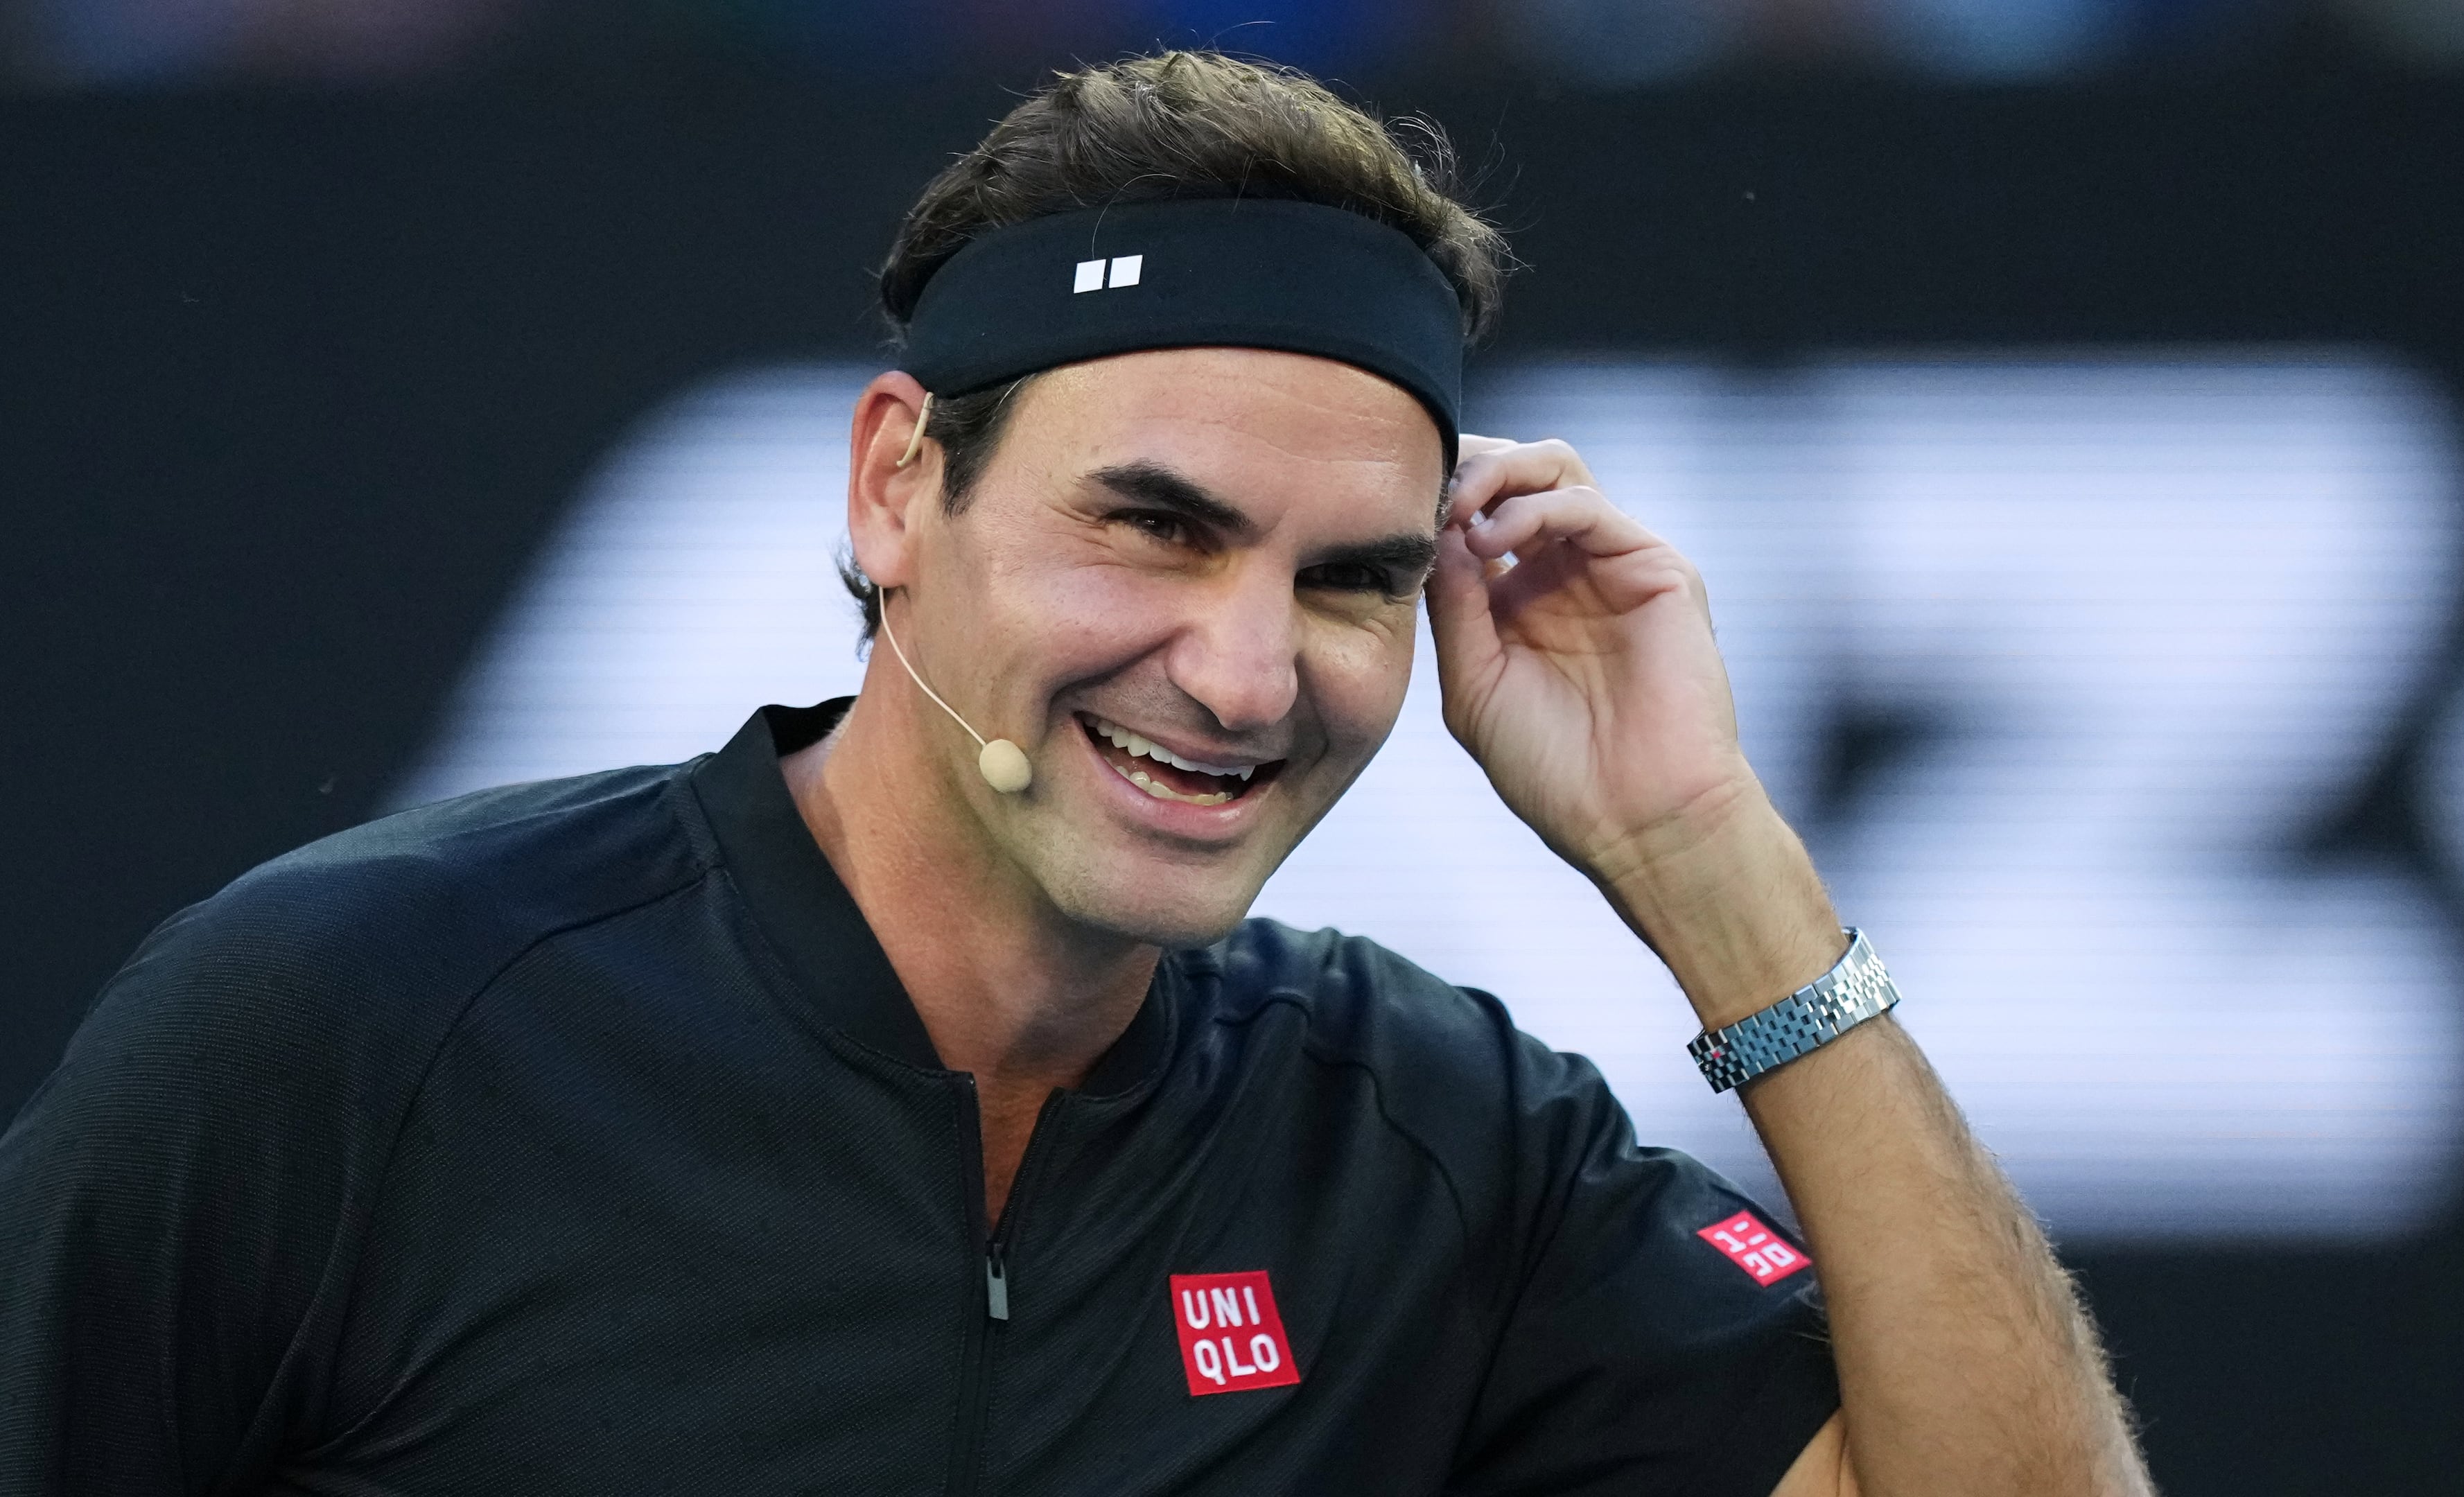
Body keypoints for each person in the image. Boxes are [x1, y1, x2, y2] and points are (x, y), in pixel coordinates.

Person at [0, 51, 2152, 1496]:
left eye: (1349, 582)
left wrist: (1707, 858)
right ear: (895, 488)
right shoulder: (351, 1032)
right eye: (1155, 524)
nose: (1238, 674)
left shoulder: (1429, 1147)